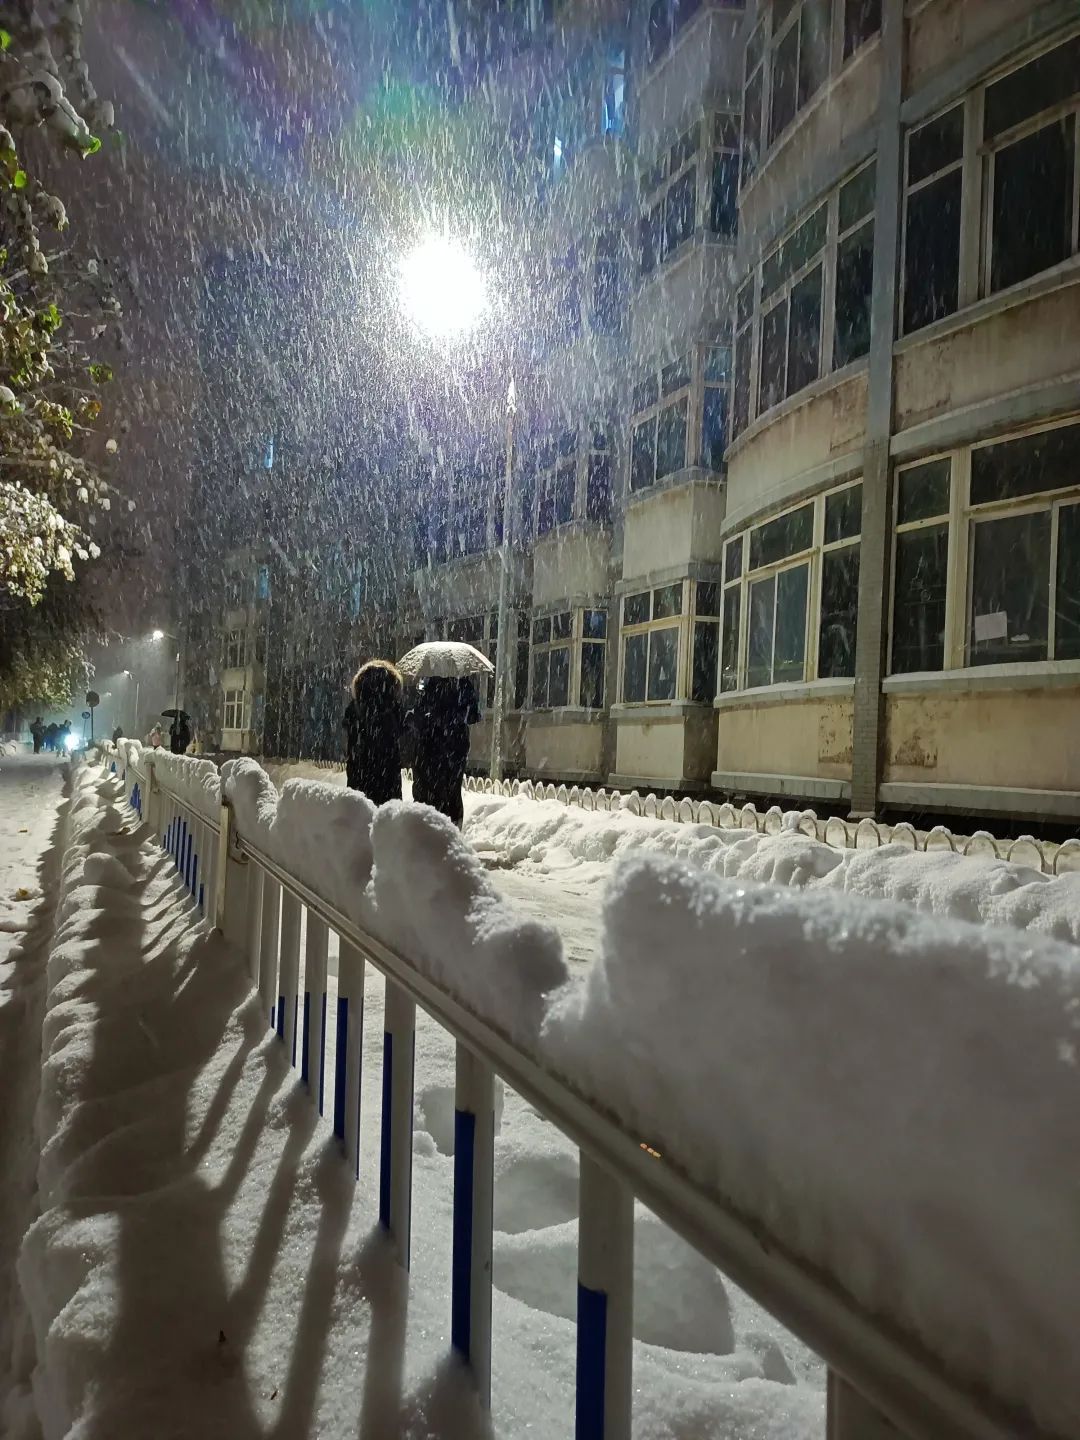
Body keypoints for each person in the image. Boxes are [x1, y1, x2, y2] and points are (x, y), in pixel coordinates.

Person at [408, 676, 481, 828]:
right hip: (433, 746)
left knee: (448, 792)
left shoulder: (460, 684)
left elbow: (472, 715)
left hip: (449, 748)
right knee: (434, 791)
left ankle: (448, 831)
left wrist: (445, 718)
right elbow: (421, 710)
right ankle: (437, 830)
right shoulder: (430, 683)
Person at [342, 660, 404, 806]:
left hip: (360, 775)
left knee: (359, 817)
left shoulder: (354, 710)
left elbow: (348, 740)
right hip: (388, 776)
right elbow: (401, 733)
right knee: (387, 816)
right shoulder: (393, 710)